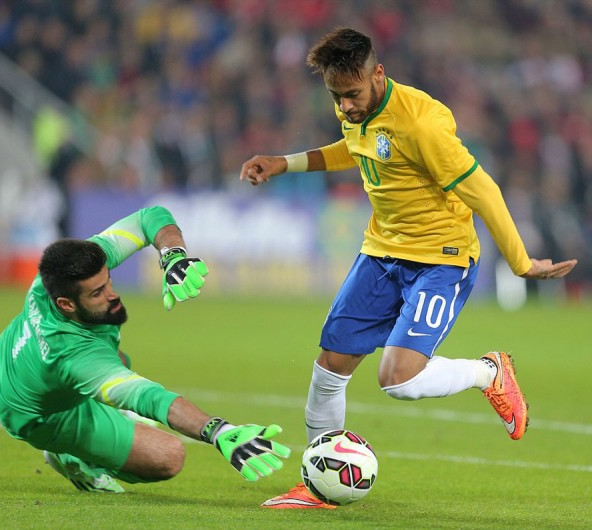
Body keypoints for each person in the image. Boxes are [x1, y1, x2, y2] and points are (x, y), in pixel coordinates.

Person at [239, 27, 578, 509]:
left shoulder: (421, 125)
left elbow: (484, 192)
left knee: (399, 380)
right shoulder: (352, 110)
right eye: (337, 97)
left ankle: (489, 372)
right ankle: (318, 484)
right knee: (329, 367)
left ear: (378, 74)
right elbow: (354, 148)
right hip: (380, 253)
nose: (346, 107)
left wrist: (521, 263)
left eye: (353, 95)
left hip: (441, 259)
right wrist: (285, 163)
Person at [0, 206, 290, 493]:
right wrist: (218, 431)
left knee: (118, 360)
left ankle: (102, 416)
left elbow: (149, 217)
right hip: (41, 416)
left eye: (108, 282)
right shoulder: (75, 356)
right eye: (97, 293)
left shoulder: (58, 277)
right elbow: (149, 397)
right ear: (66, 305)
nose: (112, 295)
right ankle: (69, 455)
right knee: (167, 457)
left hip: (11, 355)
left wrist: (173, 257)